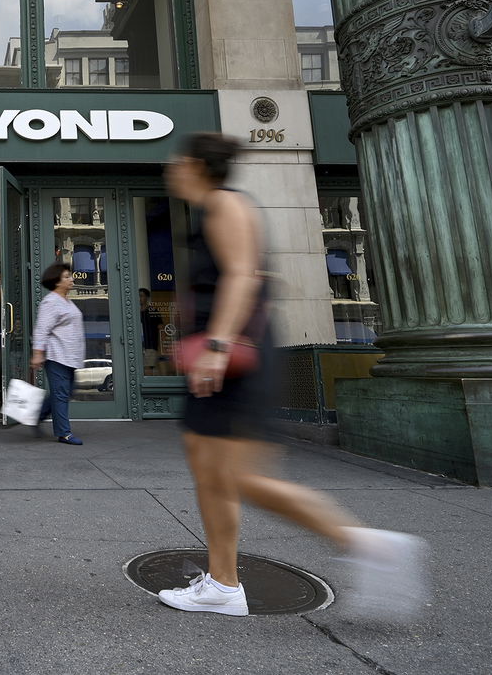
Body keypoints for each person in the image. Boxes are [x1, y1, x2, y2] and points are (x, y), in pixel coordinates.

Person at [158, 132, 427, 619]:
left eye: (178, 160)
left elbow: (243, 275)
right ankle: (223, 583)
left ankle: (370, 546)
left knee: (241, 478)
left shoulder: (224, 204)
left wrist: (217, 345)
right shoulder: (210, 212)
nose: (171, 168)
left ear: (197, 165)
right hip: (222, 362)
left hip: (234, 362)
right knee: (208, 470)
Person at [30, 262, 84, 445]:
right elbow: (41, 329)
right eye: (67, 276)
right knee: (61, 394)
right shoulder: (50, 302)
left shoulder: (67, 301)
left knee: (64, 393)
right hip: (57, 355)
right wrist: (38, 354)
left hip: (70, 357)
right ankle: (64, 433)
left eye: (70, 275)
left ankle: (37, 415)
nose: (72, 279)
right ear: (57, 281)